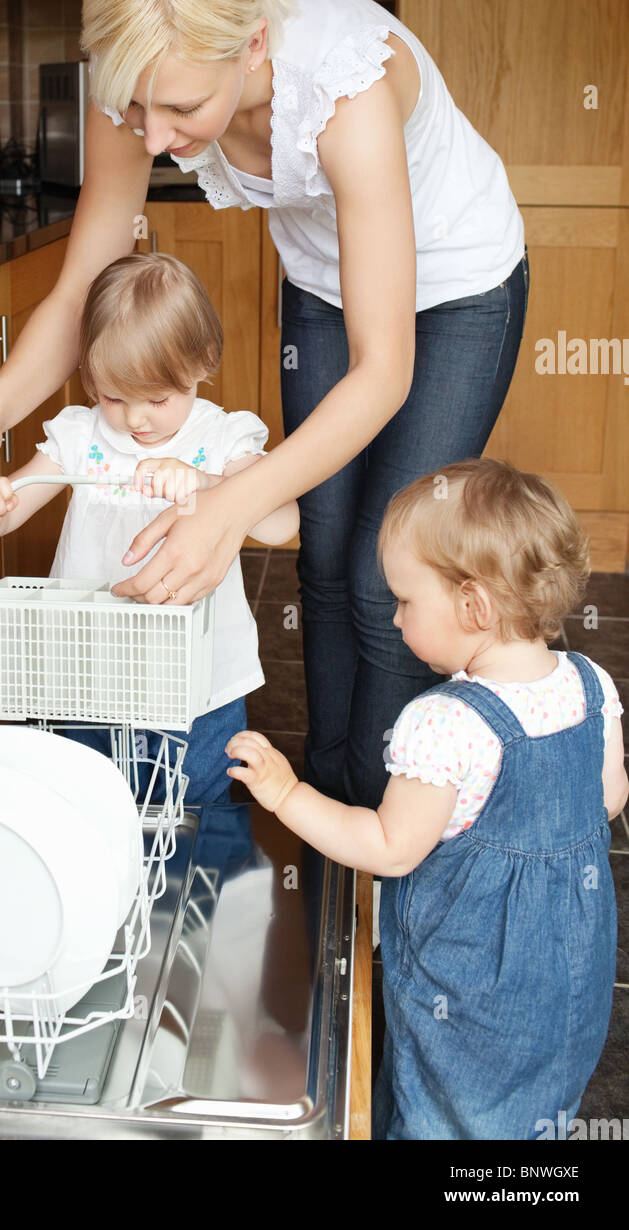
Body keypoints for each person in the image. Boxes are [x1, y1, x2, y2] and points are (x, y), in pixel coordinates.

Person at [0, 0, 529, 810]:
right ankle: (328, 803)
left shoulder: (345, 86)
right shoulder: (141, 86)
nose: (154, 139)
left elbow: (385, 370)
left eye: (180, 109)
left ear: (251, 45)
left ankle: (391, 831)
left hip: (454, 291)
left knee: (384, 575)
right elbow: (81, 288)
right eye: (135, 108)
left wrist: (227, 501)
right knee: (322, 558)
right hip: (327, 282)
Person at [224, 458, 627, 1140]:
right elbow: (607, 800)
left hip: (467, 998)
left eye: (405, 600)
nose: (393, 615)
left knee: (445, 1112)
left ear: (473, 606)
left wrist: (286, 793)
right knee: (529, 1110)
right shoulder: (590, 684)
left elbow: (388, 849)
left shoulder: (444, 723)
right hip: (567, 981)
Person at [0, 252, 299, 803]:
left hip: (199, 688)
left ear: (201, 364)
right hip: (90, 677)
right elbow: (7, 514)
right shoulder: (81, 435)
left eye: (157, 399)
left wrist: (203, 481)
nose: (134, 419)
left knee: (193, 816)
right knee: (87, 807)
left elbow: (281, 521)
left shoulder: (222, 438)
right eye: (113, 396)